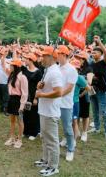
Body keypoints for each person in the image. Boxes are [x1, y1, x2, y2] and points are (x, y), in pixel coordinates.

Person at [34, 46, 63, 177]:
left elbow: (58, 92)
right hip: (44, 110)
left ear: (51, 57)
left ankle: (53, 166)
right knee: (45, 138)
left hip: (51, 111)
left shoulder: (55, 72)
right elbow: (45, 87)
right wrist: (39, 87)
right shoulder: (47, 70)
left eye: (44, 56)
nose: (42, 58)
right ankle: (46, 160)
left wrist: (41, 95)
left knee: (52, 140)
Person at [56, 45, 78, 162]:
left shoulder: (72, 70)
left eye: (58, 54)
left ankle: (70, 149)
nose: (56, 56)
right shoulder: (57, 68)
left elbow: (69, 88)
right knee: (58, 126)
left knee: (68, 128)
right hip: (55, 103)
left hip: (65, 103)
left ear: (64, 55)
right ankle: (64, 141)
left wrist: (56, 95)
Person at [90, 36, 106, 141]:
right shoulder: (91, 64)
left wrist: (99, 42)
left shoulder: (104, 62)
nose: (93, 54)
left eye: (95, 53)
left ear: (100, 54)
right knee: (95, 110)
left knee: (104, 111)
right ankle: (97, 128)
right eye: (92, 53)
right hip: (92, 90)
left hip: (102, 90)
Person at [4, 59, 28, 149]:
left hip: (19, 100)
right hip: (12, 99)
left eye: (12, 65)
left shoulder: (22, 77)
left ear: (16, 67)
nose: (10, 67)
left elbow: (25, 93)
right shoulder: (11, 76)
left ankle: (20, 139)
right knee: (12, 120)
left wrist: (22, 106)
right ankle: (12, 137)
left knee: (20, 120)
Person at [21, 53, 43, 141]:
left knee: (34, 114)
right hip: (25, 96)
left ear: (30, 60)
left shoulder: (38, 72)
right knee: (26, 113)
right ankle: (26, 131)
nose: (24, 60)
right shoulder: (24, 70)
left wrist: (36, 98)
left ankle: (34, 132)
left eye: (26, 59)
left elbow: (40, 87)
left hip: (34, 96)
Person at [74, 51, 92, 142]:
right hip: (75, 95)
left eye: (79, 58)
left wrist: (82, 94)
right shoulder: (75, 67)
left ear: (84, 60)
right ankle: (76, 131)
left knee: (85, 115)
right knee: (76, 115)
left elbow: (89, 83)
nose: (77, 59)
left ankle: (84, 132)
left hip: (84, 94)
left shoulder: (89, 69)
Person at [0, 48, 10, 116]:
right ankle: (1, 107)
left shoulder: (9, 61)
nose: (1, 55)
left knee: (5, 97)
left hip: (5, 82)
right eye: (0, 54)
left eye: (2, 54)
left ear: (6, 54)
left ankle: (6, 109)